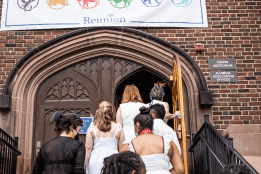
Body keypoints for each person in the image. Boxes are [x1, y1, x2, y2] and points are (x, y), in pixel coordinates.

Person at [120, 107, 184, 174]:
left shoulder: (129, 145)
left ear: (137, 125)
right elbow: (179, 170)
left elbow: (118, 170)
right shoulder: (168, 142)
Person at [85, 101, 125, 174]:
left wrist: (83, 165)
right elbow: (122, 148)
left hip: (95, 159)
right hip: (113, 159)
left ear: (98, 111)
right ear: (111, 111)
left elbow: (88, 148)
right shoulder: (118, 127)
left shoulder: (92, 128)